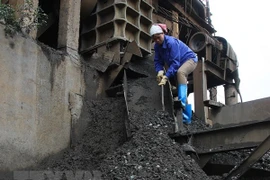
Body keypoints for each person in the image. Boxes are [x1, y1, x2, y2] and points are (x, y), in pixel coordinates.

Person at [150, 24, 198, 124]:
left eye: (158, 37)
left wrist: (166, 76)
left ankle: (182, 103)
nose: (157, 40)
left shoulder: (171, 42)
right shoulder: (157, 46)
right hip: (178, 64)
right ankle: (187, 119)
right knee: (177, 77)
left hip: (190, 59)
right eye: (155, 39)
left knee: (181, 72)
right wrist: (159, 71)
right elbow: (158, 61)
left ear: (163, 34)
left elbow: (175, 63)